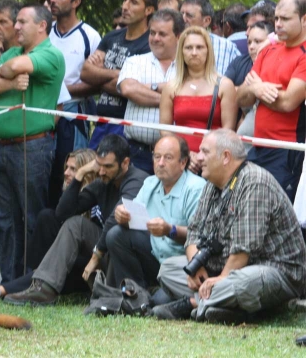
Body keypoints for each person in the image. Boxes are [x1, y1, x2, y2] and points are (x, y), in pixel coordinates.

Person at [152, 129, 306, 324]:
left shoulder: (254, 182)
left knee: (243, 283)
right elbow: (194, 232)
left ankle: (193, 303)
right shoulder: (212, 183)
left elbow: (243, 250)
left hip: (272, 271)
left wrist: (222, 278)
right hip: (227, 268)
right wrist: (195, 266)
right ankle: (223, 307)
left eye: (205, 152)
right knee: (168, 269)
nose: (198, 158)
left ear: (225, 157)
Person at [0, 4, 65, 282]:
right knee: (4, 220)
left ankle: (34, 281)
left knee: (31, 219)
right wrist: (11, 85)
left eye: (22, 22)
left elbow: (15, 66)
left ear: (42, 26)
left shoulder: (50, 54)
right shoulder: (12, 51)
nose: (15, 27)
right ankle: (11, 283)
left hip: (31, 147)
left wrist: (5, 71)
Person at [2, 135, 149, 305]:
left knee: (110, 230)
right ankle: (43, 289)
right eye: (99, 166)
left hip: (131, 255)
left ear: (125, 163)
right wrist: (80, 173)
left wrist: (95, 256)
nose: (101, 172)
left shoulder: (137, 180)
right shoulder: (104, 180)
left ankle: (36, 286)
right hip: (109, 249)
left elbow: (113, 220)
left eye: (108, 166)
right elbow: (63, 213)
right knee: (72, 223)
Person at [0, 148, 98, 298]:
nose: (66, 173)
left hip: (87, 267)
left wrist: (81, 173)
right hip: (62, 264)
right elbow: (60, 213)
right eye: (67, 168)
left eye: (74, 169)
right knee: (47, 217)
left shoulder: (98, 194)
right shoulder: (74, 196)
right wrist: (77, 179)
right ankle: (32, 282)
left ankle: (1, 290)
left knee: (52, 264)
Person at [107, 135, 205, 289]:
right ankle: (133, 293)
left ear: (183, 162)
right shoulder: (150, 183)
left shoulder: (196, 188)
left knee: (159, 304)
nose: (160, 163)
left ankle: (154, 294)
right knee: (116, 234)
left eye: (168, 158)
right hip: (154, 255)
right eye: (157, 157)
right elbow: (134, 219)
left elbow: (200, 237)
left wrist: (170, 230)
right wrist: (123, 216)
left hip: (181, 264)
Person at [236, 0, 306, 203]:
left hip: (287, 152)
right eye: (276, 19)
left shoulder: (303, 55)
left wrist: (256, 87)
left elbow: (287, 103)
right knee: (247, 206)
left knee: (277, 215)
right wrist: (257, 90)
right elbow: (242, 98)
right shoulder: (268, 50)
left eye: (285, 19)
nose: (278, 24)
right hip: (258, 146)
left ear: (304, 20)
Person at [81, 0, 157, 147]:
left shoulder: (149, 44)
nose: (125, 6)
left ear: (149, 10)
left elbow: (131, 88)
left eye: (134, 2)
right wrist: (118, 74)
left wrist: (101, 74)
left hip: (126, 128)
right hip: (101, 123)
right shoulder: (111, 37)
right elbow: (86, 72)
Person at [48, 0, 101, 205]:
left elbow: (97, 82)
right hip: (40, 112)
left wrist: (59, 89)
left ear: (76, 2)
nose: (52, 0)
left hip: (72, 115)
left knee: (69, 173)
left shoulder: (90, 36)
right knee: (44, 176)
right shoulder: (43, 32)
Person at [159, 26, 237, 174]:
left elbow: (227, 131)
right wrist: (185, 154)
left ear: (208, 50)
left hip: (213, 163)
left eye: (199, 47)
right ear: (181, 51)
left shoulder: (224, 85)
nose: (194, 52)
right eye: (189, 47)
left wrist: (203, 156)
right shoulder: (171, 87)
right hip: (179, 162)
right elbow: (165, 129)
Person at [117, 8, 183, 174]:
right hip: (137, 152)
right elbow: (129, 89)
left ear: (178, 36)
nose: (155, 38)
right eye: (152, 33)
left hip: (176, 155)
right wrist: (168, 97)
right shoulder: (135, 62)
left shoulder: (188, 67)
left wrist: (146, 87)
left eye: (162, 34)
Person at [225, 21, 274, 148]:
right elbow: (223, 89)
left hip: (272, 143)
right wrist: (252, 88)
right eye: (249, 42)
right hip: (243, 143)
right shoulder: (239, 62)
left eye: (258, 42)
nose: (251, 46)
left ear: (272, 42)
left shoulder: (279, 66)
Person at [180, 0, 240, 74]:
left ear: (206, 21)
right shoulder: (171, 44)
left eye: (189, 15)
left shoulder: (226, 47)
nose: (183, 19)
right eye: (181, 14)